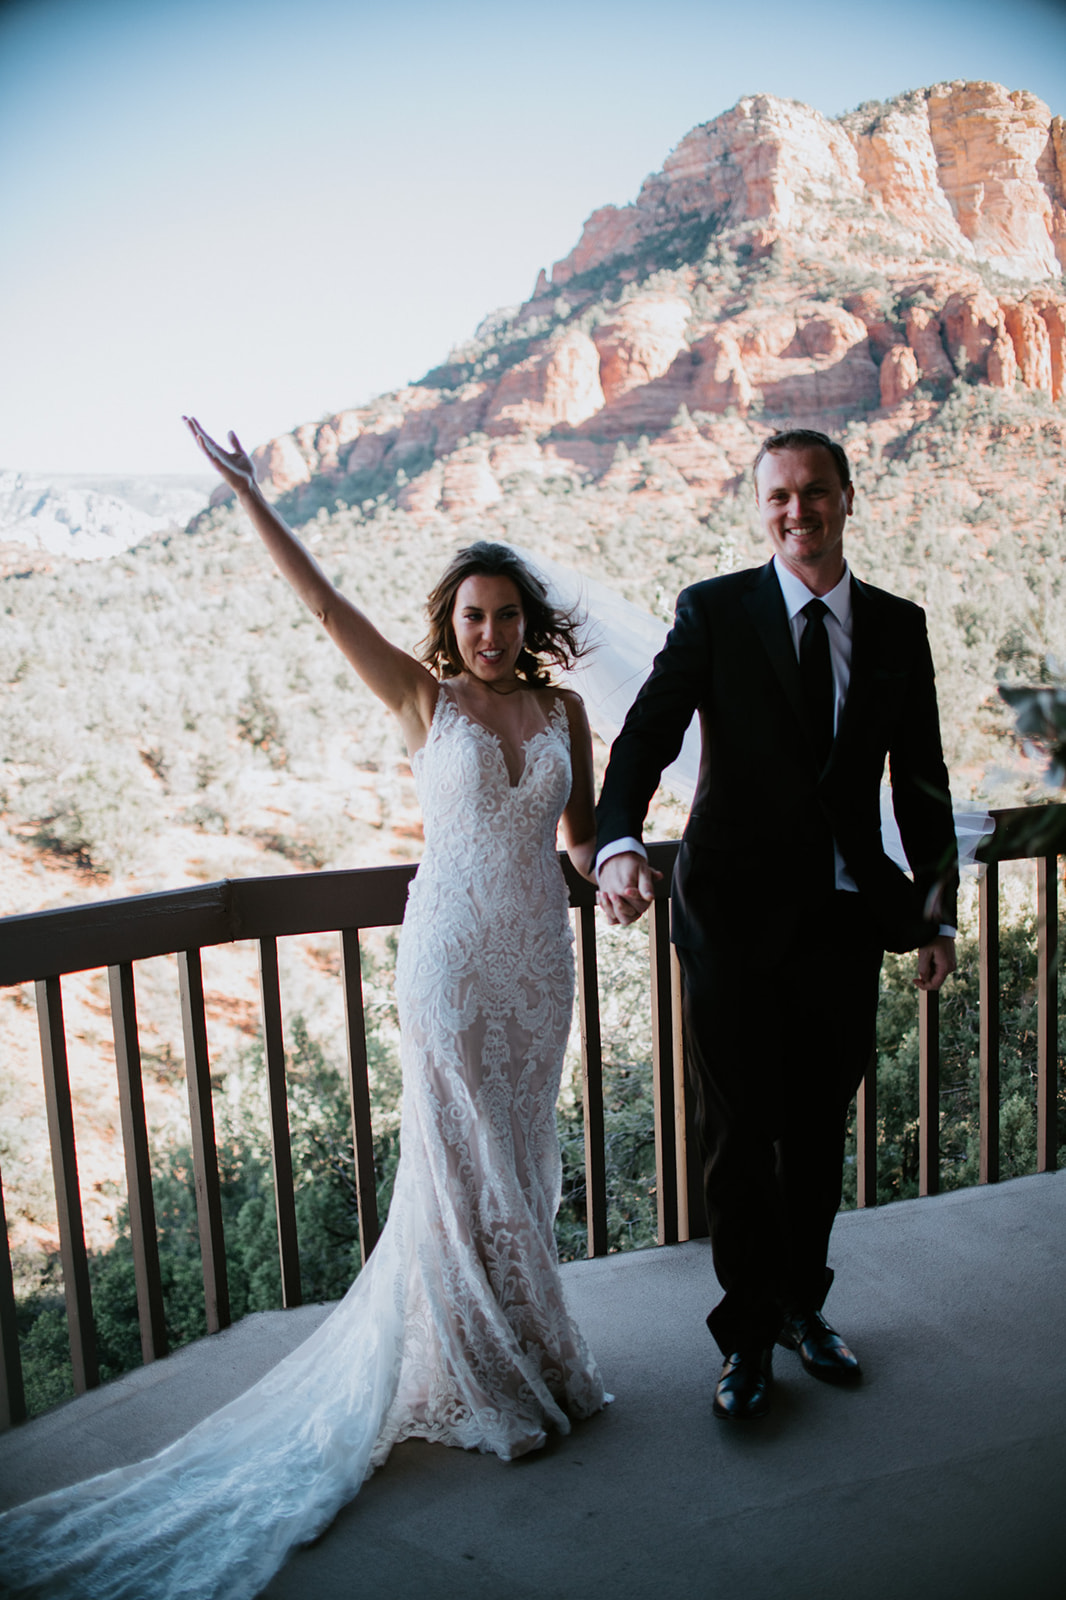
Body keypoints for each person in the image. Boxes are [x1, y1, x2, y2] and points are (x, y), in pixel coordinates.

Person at [0, 421, 608, 1599]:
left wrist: (621, 869)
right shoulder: (420, 701)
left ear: (531, 625)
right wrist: (248, 497)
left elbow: (579, 843)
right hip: (449, 962)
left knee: (522, 1155)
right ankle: (484, 1375)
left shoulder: (565, 714)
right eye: (472, 615)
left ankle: (529, 1351)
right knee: (457, 1157)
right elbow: (326, 606)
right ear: (452, 624)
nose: (490, 633)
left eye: (508, 615)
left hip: (541, 961)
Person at [595, 428, 958, 1423]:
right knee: (737, 1136)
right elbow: (646, 735)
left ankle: (806, 1309)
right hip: (728, 920)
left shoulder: (896, 626)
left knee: (814, 1132)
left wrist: (934, 913)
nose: (797, 511)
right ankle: (747, 1336)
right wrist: (617, 836)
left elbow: (920, 780)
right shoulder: (715, 611)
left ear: (846, 497)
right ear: (760, 509)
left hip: (842, 922)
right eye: (778, 497)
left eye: (813, 492)